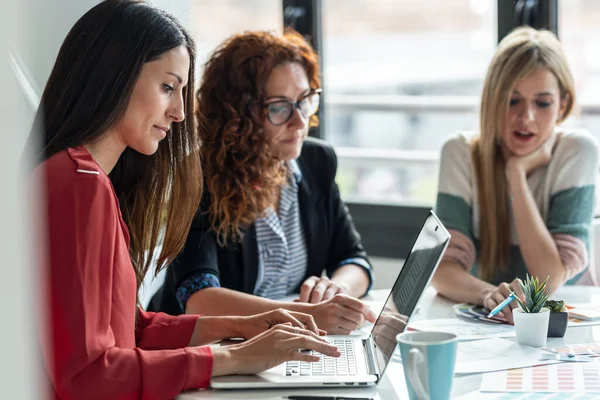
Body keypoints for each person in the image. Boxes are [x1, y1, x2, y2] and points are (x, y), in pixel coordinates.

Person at [30, 2, 339, 398]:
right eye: (167, 87)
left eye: (181, 91)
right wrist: (232, 359)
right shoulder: (79, 183)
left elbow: (129, 329)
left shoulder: (86, 178)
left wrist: (241, 326)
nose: (178, 112)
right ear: (114, 76)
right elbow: (88, 375)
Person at [149, 30, 377, 334]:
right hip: (204, 347)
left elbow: (354, 259)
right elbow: (199, 297)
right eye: (279, 107)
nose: (299, 122)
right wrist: (306, 315)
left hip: (285, 342)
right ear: (238, 115)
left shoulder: (316, 162)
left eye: (304, 101)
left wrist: (334, 290)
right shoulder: (199, 176)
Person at [432, 26, 599, 324]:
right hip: (486, 327)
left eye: (542, 102)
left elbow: (549, 278)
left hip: (565, 329)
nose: (526, 117)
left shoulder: (577, 150)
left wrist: (516, 175)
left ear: (562, 104)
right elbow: (442, 271)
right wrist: (489, 295)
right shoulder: (459, 153)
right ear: (493, 101)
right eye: (512, 100)